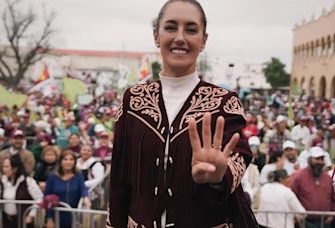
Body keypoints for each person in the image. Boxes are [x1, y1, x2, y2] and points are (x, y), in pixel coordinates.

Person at [107, 0, 257, 227]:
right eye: (170, 27)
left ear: (203, 40)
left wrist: (218, 177)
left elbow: (237, 158)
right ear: (156, 36)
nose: (180, 37)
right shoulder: (133, 101)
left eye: (191, 29)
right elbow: (119, 180)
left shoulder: (224, 103)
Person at [290, 146, 335, 228]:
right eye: (317, 159)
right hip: (304, 222)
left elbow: (334, 199)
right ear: (310, 159)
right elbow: (291, 196)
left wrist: (332, 214)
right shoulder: (299, 177)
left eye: (322, 159)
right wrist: (296, 216)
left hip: (325, 222)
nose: (320, 162)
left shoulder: (328, 178)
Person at [0, 155, 43, 228]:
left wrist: (31, 215)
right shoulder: (3, 181)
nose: (4, 169)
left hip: (24, 221)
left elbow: (39, 198)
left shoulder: (28, 181)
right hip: (7, 220)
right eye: (3, 167)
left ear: (15, 168)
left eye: (6, 167)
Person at [44, 149, 91, 228]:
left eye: (71, 159)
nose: (68, 162)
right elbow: (46, 197)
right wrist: (49, 218)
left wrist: (85, 197)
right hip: (56, 214)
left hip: (72, 215)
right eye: (65, 159)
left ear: (75, 162)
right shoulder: (53, 177)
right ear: (61, 162)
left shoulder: (78, 175)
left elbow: (83, 187)